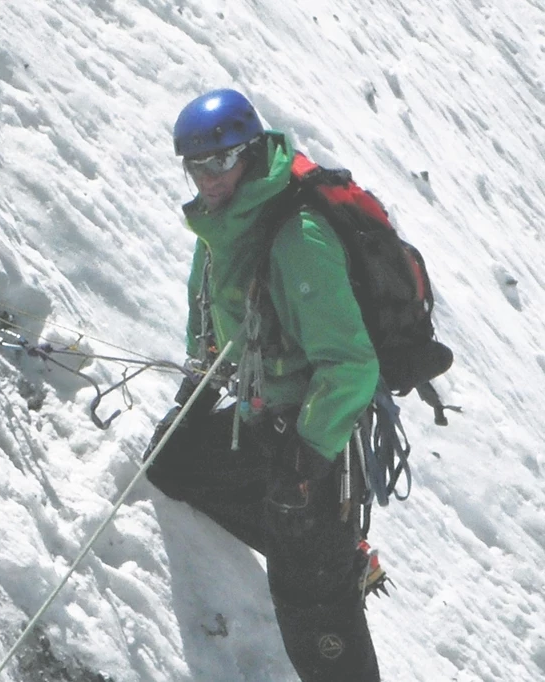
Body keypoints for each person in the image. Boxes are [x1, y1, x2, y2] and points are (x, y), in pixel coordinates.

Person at [145, 88, 382, 682]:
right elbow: (210, 306)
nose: (208, 176)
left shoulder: (297, 239)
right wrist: (195, 384)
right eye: (196, 163)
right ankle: (326, 552)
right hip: (264, 421)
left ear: (250, 154)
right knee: (173, 460)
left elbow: (351, 366)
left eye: (220, 161)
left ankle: (327, 560)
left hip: (314, 441)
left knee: (312, 611)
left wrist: (306, 461)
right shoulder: (226, 225)